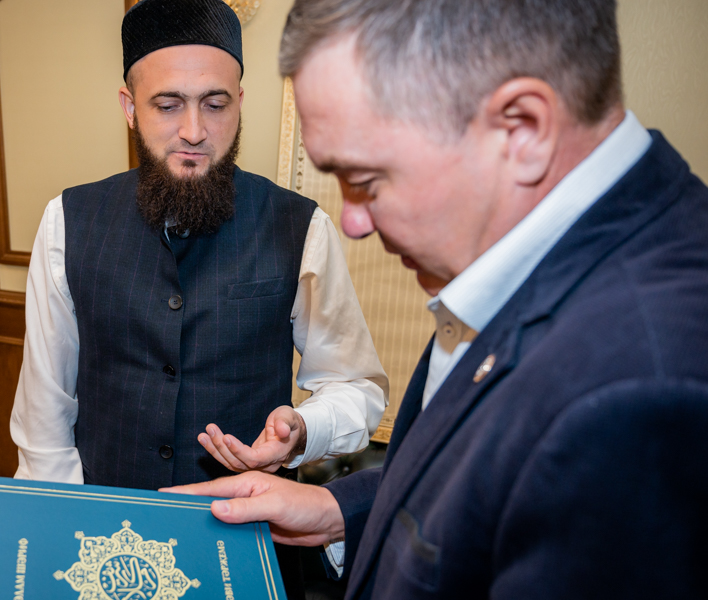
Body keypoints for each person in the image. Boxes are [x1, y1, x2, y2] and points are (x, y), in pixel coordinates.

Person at [166, 0, 708, 598]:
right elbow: (480, 488)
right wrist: (337, 508)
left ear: (523, 129)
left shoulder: (642, 393)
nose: (354, 223)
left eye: (366, 181)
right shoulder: (531, 259)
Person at [9, 0, 387, 498]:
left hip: (247, 521)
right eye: (168, 105)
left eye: (215, 104)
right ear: (130, 108)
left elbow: (355, 387)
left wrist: (302, 428)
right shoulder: (66, 220)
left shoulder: (301, 226)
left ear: (239, 103)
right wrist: (62, 519)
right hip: (107, 518)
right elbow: (44, 411)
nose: (194, 131)